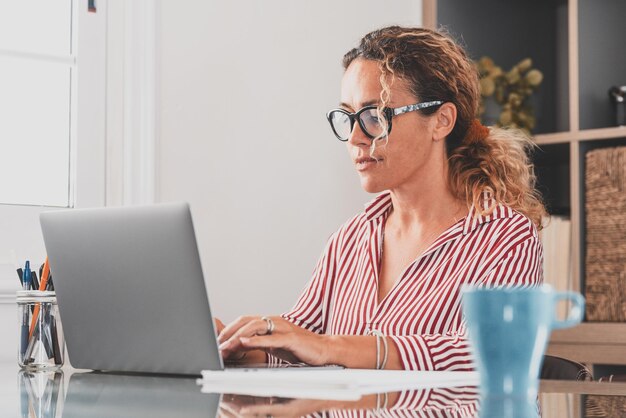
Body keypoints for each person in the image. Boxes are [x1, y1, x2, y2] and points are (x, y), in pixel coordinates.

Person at [218, 26, 546, 371]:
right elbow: (303, 343)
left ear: (441, 121)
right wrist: (244, 347)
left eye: (375, 116)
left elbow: (490, 355)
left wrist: (332, 347)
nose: (356, 138)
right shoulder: (351, 239)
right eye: (348, 116)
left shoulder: (505, 236)